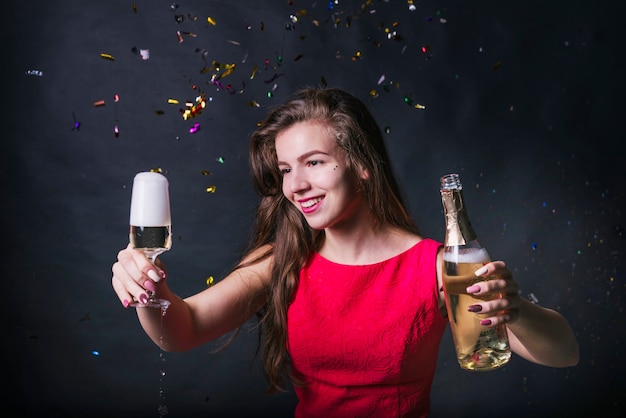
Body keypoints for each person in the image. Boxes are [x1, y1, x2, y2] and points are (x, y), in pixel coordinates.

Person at [112, 87, 579, 417]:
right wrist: (147, 288)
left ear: (361, 166)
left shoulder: (437, 266)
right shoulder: (283, 259)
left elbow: (563, 353)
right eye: (286, 169)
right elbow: (183, 329)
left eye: (314, 163)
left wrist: (515, 310)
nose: (295, 186)